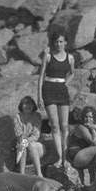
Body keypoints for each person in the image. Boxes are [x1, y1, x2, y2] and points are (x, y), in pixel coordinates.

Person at [38, 34, 75, 169]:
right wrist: (39, 97)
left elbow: (72, 72)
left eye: (61, 41)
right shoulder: (48, 56)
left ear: (65, 43)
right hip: (48, 90)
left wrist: (66, 83)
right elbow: (41, 76)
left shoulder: (70, 58)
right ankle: (60, 158)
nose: (58, 44)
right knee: (55, 126)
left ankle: (65, 157)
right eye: (56, 42)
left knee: (65, 126)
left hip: (62, 90)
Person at [68, 106, 96, 184]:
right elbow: (94, 142)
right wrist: (93, 129)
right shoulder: (81, 128)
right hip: (77, 157)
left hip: (87, 154)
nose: (88, 119)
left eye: (91, 117)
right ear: (82, 118)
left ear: (94, 118)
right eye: (86, 117)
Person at [12, 96, 45, 177]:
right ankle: (22, 174)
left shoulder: (37, 116)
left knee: (30, 144)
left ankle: (39, 174)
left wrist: (26, 139)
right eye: (25, 104)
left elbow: (36, 135)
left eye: (30, 104)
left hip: (37, 149)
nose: (28, 106)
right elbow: (18, 133)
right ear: (21, 106)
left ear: (33, 106)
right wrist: (22, 139)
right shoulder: (17, 117)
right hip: (22, 150)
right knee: (22, 144)